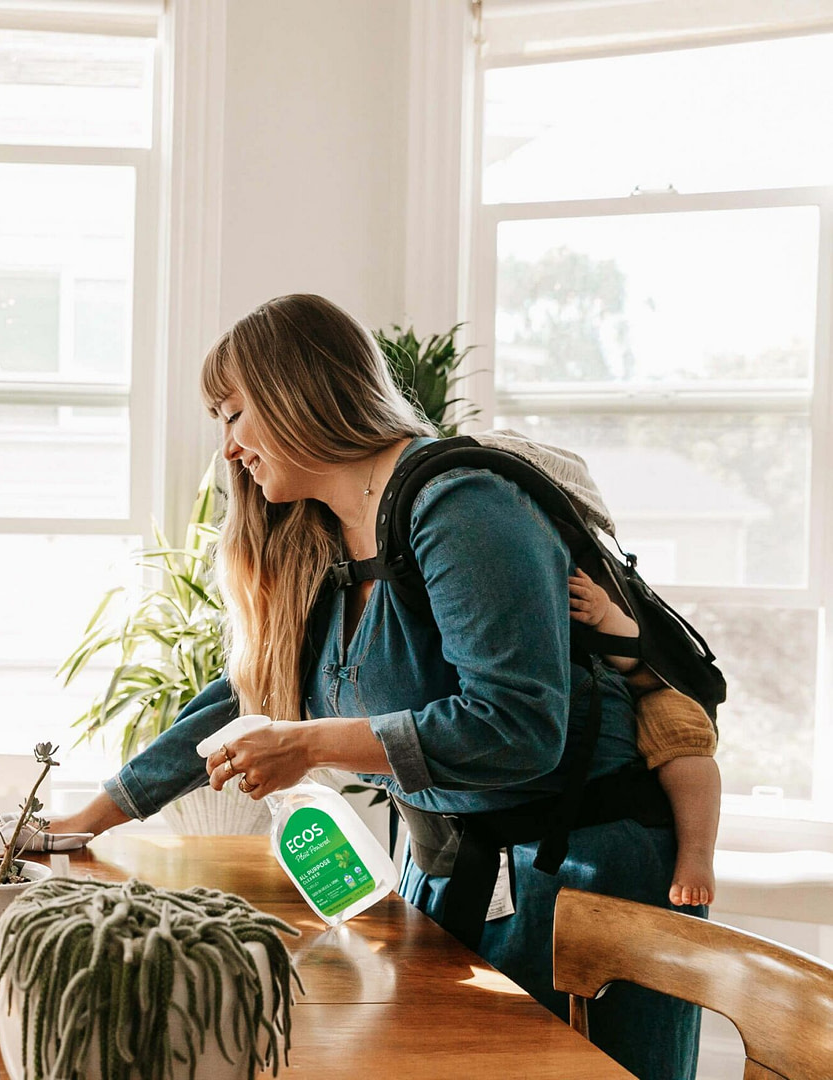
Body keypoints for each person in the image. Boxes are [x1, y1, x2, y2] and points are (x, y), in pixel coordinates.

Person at [47, 294, 702, 1080]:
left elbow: (518, 727)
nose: (226, 449)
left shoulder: (462, 506)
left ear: (298, 392)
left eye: (232, 414)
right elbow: (246, 695)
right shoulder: (319, 535)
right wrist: (83, 822)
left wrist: (312, 742)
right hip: (447, 868)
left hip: (578, 886)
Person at [567, 569, 721, 908]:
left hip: (654, 684)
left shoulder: (594, 582)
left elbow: (632, 649)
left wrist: (603, 611)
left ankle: (697, 855)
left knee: (685, 751)